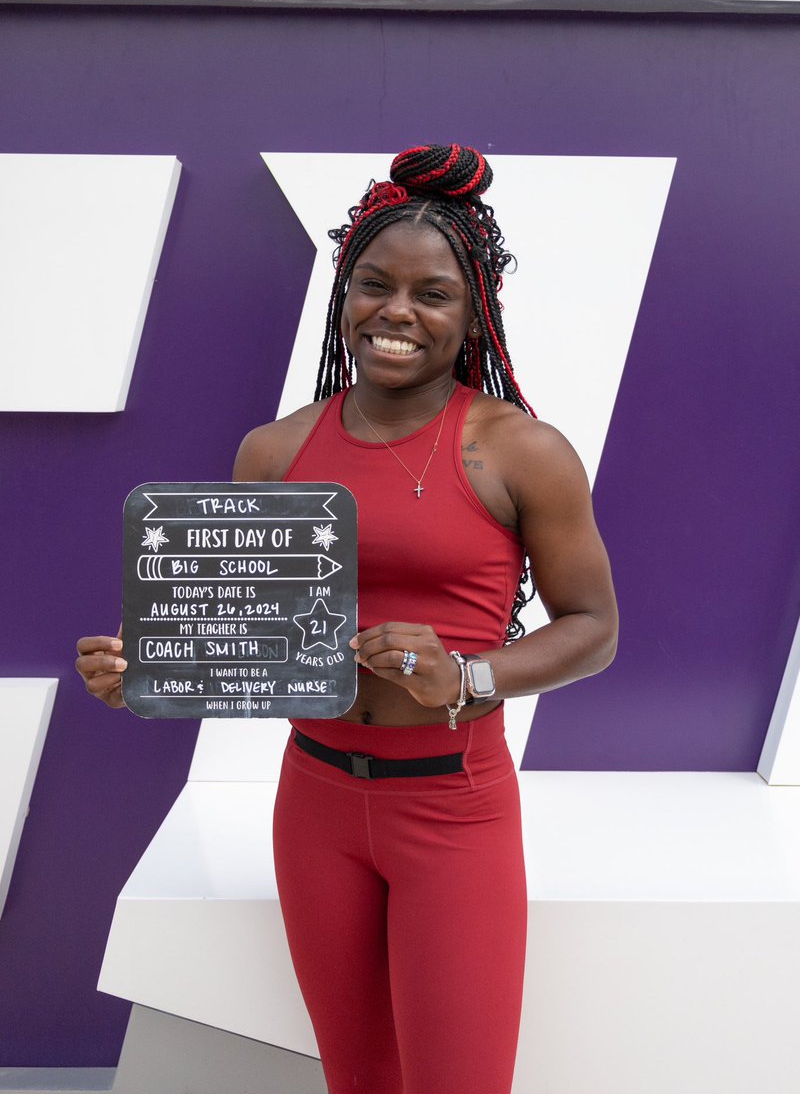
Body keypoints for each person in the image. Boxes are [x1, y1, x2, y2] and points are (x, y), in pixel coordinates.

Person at [77, 143, 618, 1094]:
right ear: (344, 294)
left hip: (453, 804)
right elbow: (243, 629)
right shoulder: (275, 449)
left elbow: (593, 628)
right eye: (374, 284)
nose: (397, 313)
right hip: (316, 801)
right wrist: (151, 670)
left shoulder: (520, 450)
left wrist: (470, 673)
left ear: (474, 309)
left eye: (432, 293)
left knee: (458, 1083)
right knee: (357, 1079)